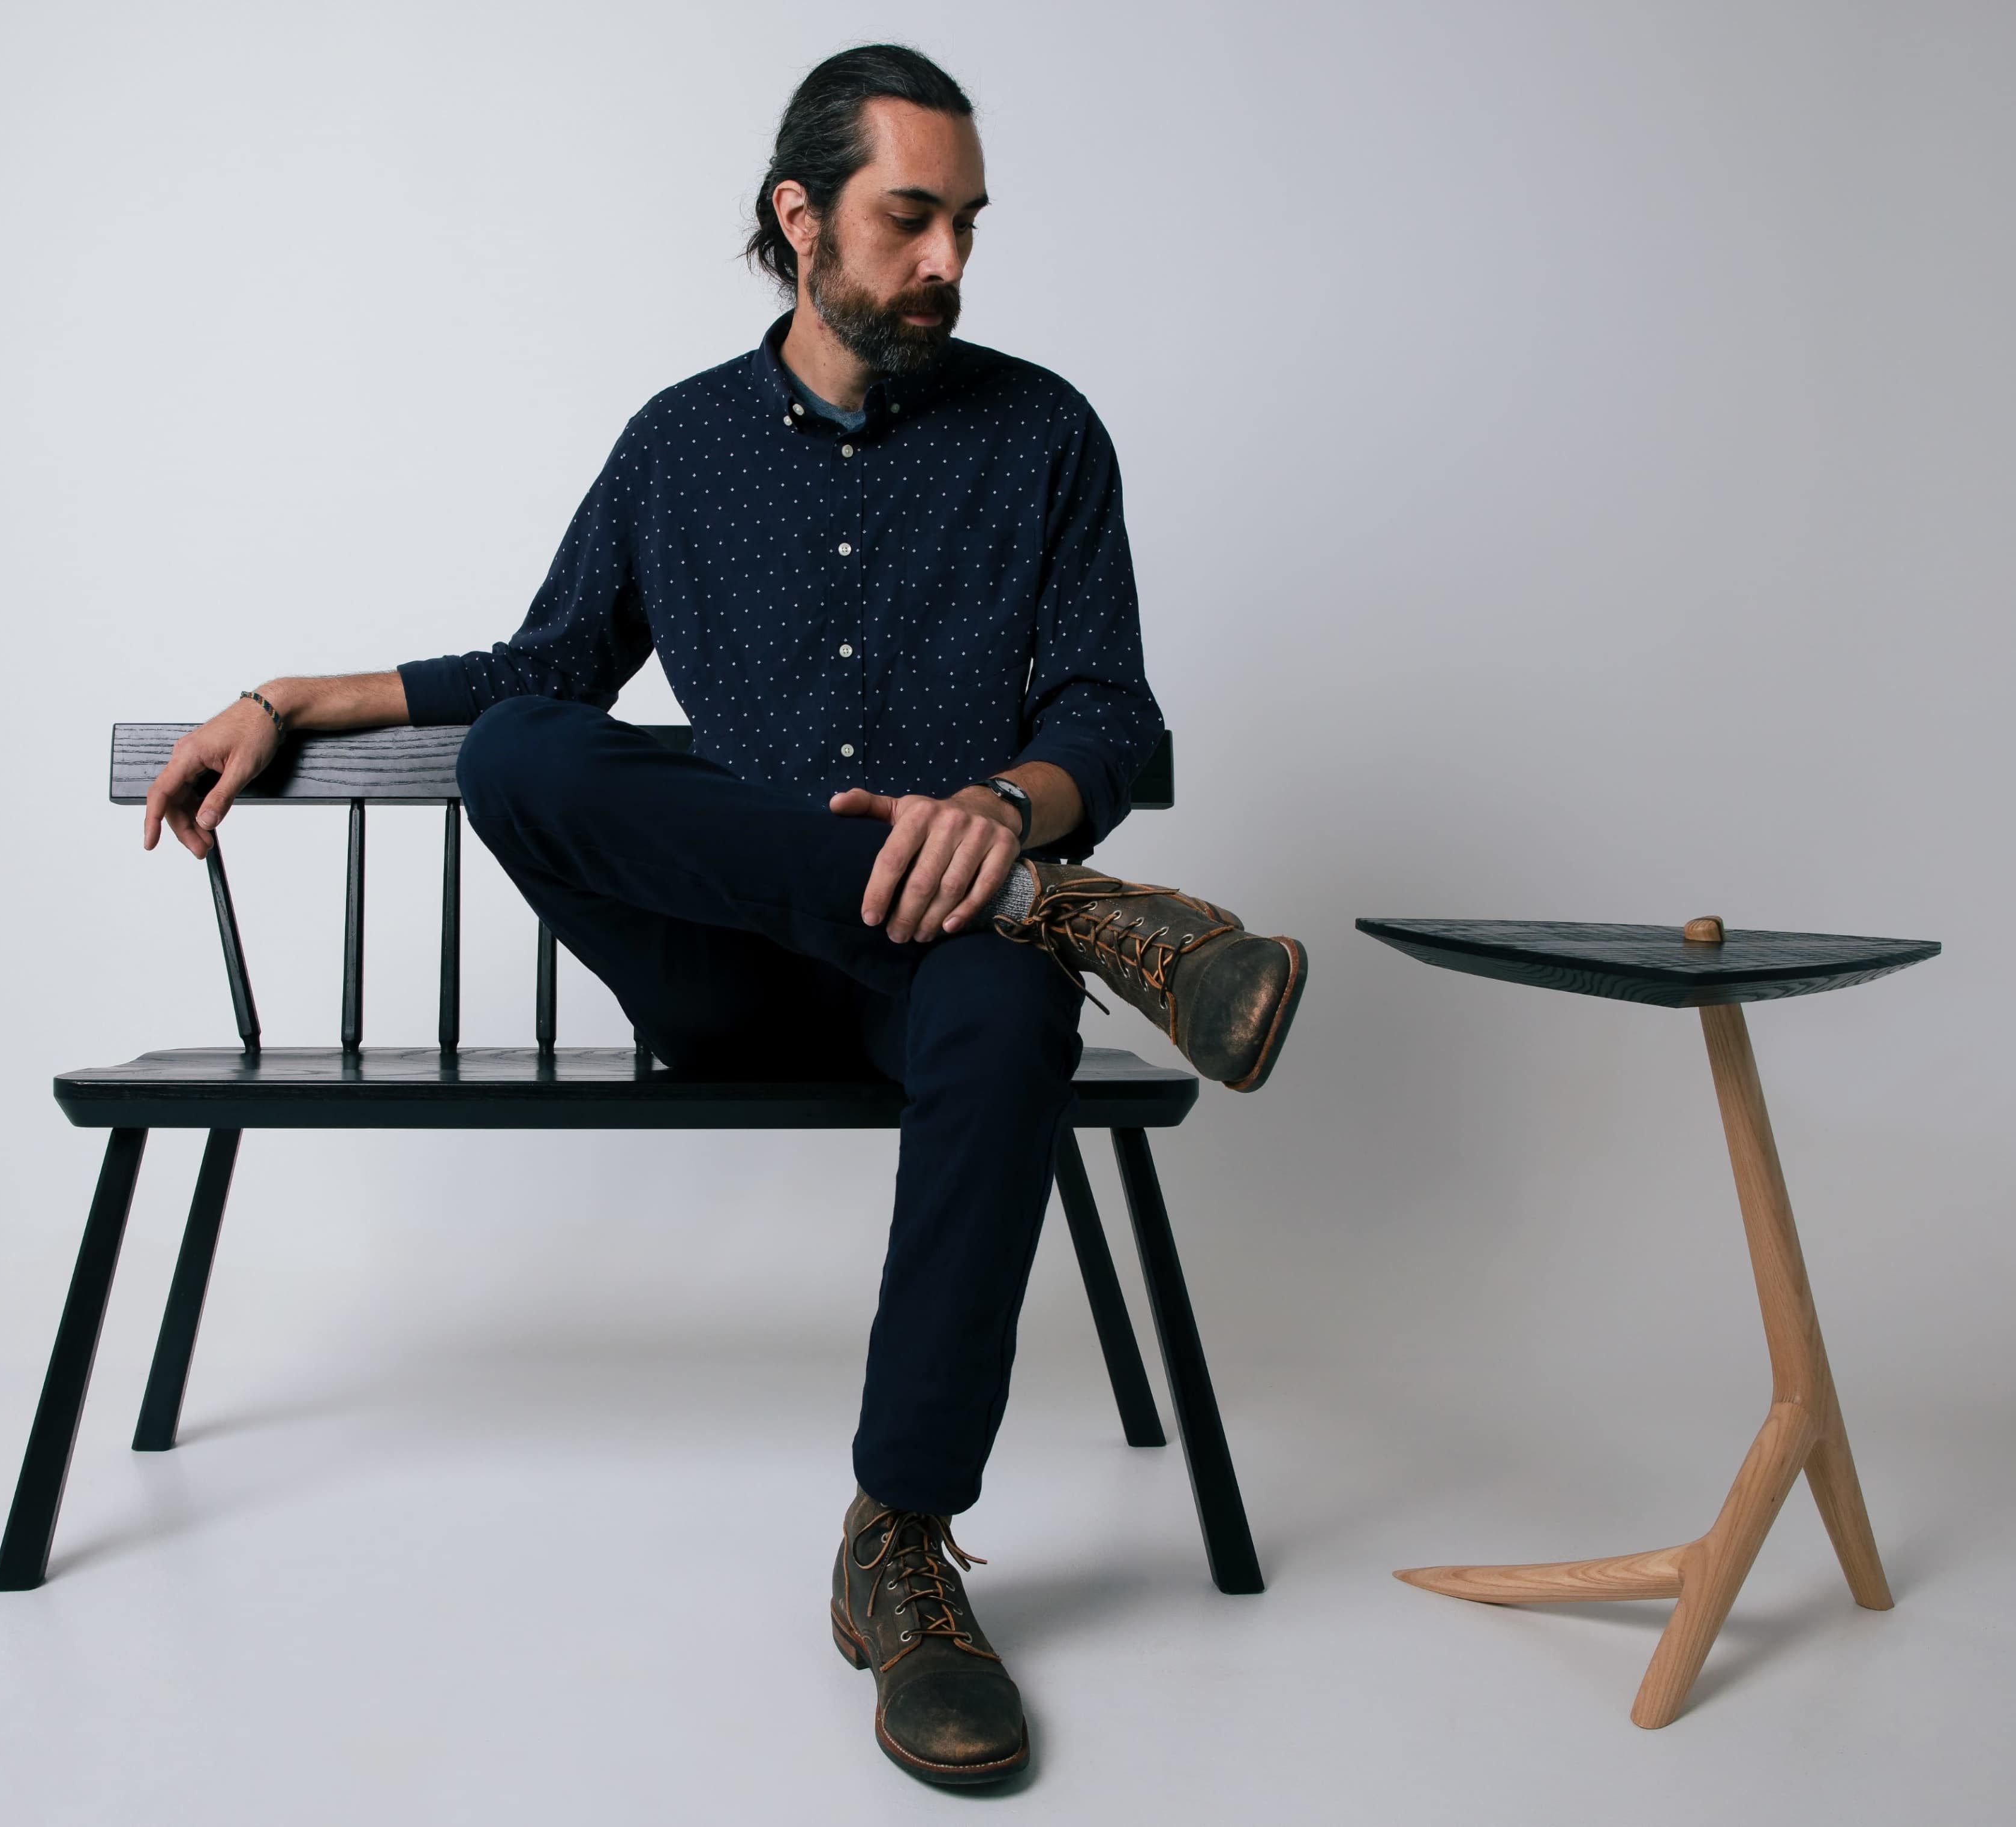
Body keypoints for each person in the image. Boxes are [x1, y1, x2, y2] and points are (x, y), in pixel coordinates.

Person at [141, 43, 1306, 1788]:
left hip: (940, 973)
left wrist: (998, 814)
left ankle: (899, 1548)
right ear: (800, 215)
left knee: (999, 1007)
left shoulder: (1045, 433)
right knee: (530, 751)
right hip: (729, 973)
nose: (948, 263)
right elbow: (538, 675)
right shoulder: (677, 447)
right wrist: (294, 693)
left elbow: (1108, 718)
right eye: (909, 218)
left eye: (967, 224)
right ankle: (1071, 914)